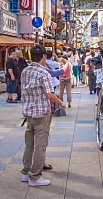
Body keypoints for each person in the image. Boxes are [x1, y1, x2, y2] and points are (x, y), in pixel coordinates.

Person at [19, 45, 65, 187]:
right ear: (44, 56)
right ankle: (35, 176)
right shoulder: (44, 73)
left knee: (29, 145)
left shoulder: (25, 71)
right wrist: (60, 102)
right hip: (42, 113)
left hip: (29, 112)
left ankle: (25, 172)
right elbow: (49, 94)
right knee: (40, 146)